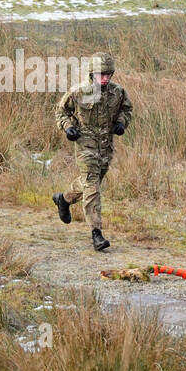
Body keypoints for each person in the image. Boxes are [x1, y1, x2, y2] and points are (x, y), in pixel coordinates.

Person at [52, 52, 133, 251]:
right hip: (85, 144)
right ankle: (96, 234)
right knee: (92, 187)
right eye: (100, 74)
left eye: (108, 74)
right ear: (92, 73)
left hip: (106, 146)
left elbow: (127, 109)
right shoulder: (78, 91)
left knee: (91, 183)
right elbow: (61, 111)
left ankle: (64, 199)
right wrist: (68, 127)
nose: (104, 78)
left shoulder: (117, 92)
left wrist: (122, 123)